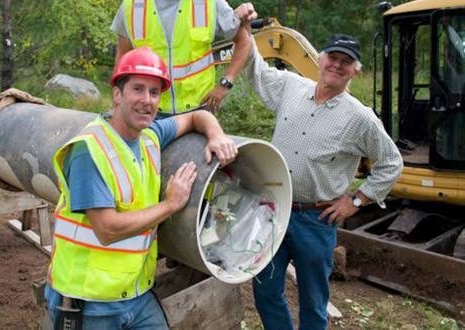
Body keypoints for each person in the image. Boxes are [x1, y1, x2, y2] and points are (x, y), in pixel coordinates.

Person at [44, 46, 237, 330]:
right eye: (137, 89)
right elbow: (107, 229)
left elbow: (197, 116)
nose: (147, 100)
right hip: (90, 301)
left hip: (136, 294)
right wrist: (170, 205)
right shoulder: (89, 150)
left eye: (154, 92)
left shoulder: (149, 136)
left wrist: (216, 134)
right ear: (117, 94)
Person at [240, 24, 404, 330]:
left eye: (346, 62)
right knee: (265, 290)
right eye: (332, 57)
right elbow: (257, 72)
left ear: (355, 71)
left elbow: (391, 163)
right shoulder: (290, 87)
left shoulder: (360, 118)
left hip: (315, 220)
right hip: (274, 210)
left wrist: (357, 199)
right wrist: (244, 32)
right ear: (320, 59)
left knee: (314, 301)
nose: (336, 65)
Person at [110, 0, 255, 115]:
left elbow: (244, 41)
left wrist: (225, 84)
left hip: (199, 110)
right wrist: (117, 106)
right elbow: (123, 58)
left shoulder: (208, 3)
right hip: (148, 112)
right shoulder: (133, 6)